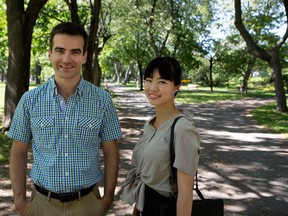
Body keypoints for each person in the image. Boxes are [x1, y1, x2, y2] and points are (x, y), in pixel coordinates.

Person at [8, 22, 122, 216]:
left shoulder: (102, 100)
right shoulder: (29, 100)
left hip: (88, 205)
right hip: (42, 205)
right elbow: (18, 151)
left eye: (75, 52)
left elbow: (111, 151)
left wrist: (107, 199)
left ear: (84, 56)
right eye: (60, 50)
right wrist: (20, 201)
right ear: (50, 54)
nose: (67, 59)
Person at [121, 56, 201, 216]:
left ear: (176, 87)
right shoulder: (151, 124)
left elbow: (185, 193)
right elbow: (143, 179)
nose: (153, 87)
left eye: (162, 82)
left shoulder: (183, 129)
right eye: (149, 80)